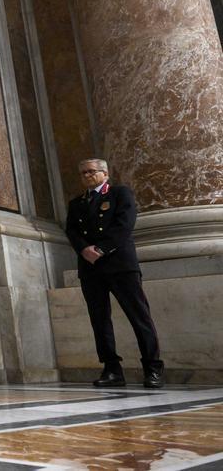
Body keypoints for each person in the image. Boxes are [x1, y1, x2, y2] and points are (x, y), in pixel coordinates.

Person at [65, 158, 163, 389]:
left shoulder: (120, 193)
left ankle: (153, 368)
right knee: (99, 321)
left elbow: (124, 225)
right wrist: (83, 249)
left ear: (105, 173)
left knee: (139, 317)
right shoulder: (76, 203)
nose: (87, 176)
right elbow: (71, 230)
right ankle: (112, 369)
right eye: (83, 173)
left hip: (120, 265)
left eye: (92, 171)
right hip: (90, 268)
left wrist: (100, 249)